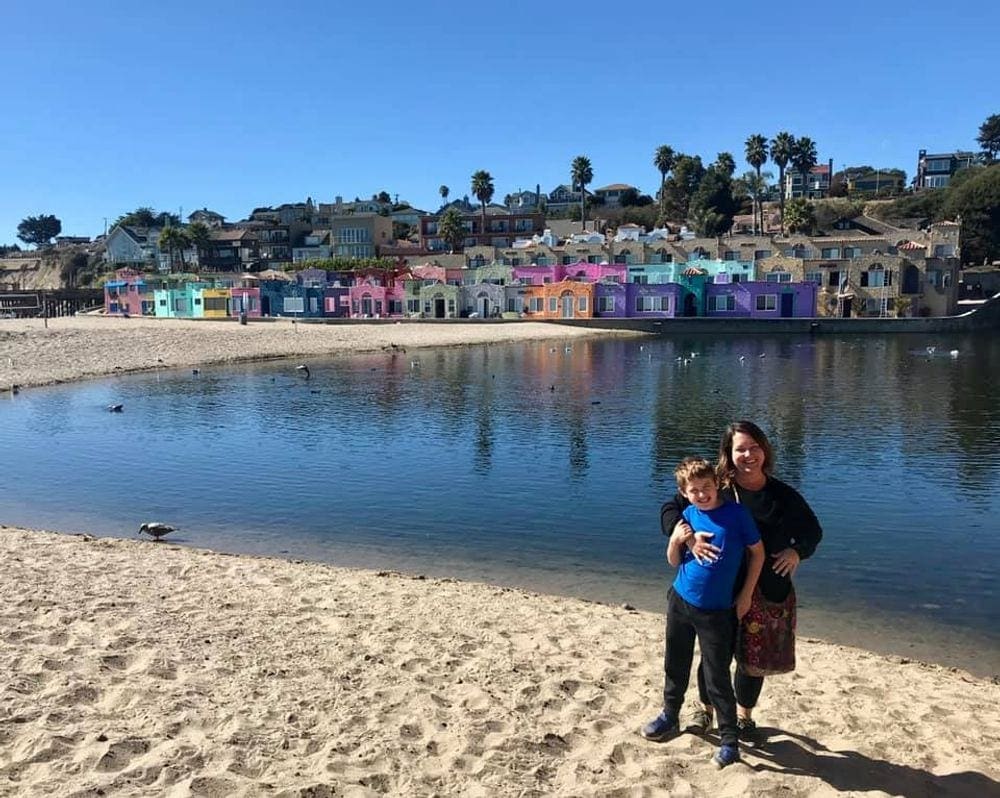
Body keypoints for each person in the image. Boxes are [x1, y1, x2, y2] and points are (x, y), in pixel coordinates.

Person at [660, 420, 823, 739]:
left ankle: (745, 716)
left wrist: (796, 552)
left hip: (765, 588)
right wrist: (688, 539)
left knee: (753, 659)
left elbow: (812, 531)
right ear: (728, 454)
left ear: (764, 450)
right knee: (714, 655)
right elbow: (671, 509)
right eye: (740, 449)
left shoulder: (781, 496)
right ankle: (705, 711)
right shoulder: (715, 488)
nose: (748, 455)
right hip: (718, 589)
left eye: (754, 447)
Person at [641, 457, 765, 769]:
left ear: (717, 484)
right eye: (693, 490)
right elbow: (673, 560)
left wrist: (746, 595)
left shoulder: (736, 515)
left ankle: (728, 741)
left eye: (706, 487)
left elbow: (758, 554)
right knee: (676, 662)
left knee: (717, 676)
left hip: (717, 611)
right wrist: (676, 540)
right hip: (680, 601)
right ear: (684, 491)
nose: (701, 494)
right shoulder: (687, 515)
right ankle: (670, 715)